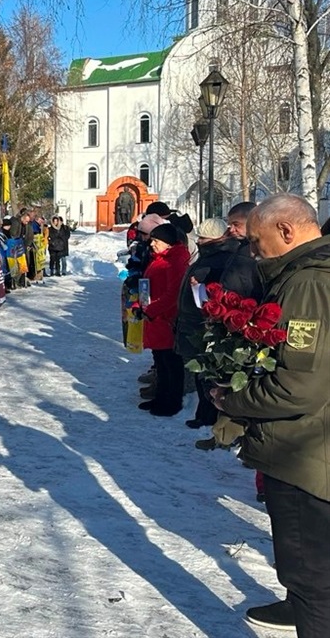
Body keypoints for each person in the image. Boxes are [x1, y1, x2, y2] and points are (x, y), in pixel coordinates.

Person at [205, 195, 330, 636]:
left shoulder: (308, 285)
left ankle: (308, 612)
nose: (253, 253)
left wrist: (232, 400)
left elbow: (298, 384)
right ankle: (299, 606)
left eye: (257, 243)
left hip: (304, 454)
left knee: (313, 576)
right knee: (309, 571)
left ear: (287, 232)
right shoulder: (305, 275)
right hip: (311, 443)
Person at [173, 218, 262, 429]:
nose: (200, 241)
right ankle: (204, 411)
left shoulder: (223, 258)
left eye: (203, 238)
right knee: (201, 371)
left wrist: (203, 286)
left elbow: (223, 289)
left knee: (208, 372)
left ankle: (208, 413)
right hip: (195, 318)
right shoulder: (214, 255)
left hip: (204, 321)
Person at [138, 223, 191, 417]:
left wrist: (151, 309)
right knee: (160, 360)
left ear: (168, 243)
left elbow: (173, 294)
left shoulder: (174, 261)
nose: (152, 244)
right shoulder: (161, 258)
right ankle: (161, 397)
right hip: (156, 317)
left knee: (170, 362)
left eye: (156, 241)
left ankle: (172, 401)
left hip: (167, 319)